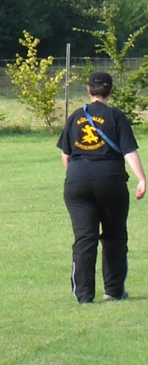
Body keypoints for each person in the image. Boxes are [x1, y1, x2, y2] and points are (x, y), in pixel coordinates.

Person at [57, 72, 146, 304]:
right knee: (114, 235)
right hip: (110, 180)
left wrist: (76, 177)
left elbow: (65, 154)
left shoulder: (75, 116)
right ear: (111, 92)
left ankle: (84, 295)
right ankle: (113, 291)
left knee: (84, 238)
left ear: (88, 90)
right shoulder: (115, 116)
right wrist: (141, 179)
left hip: (77, 181)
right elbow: (129, 151)